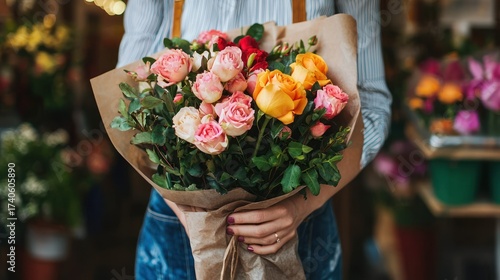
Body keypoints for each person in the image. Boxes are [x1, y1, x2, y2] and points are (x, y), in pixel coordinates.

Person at [117, 1, 392, 279]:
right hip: (180, 226)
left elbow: (371, 106)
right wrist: (186, 208)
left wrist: (301, 206)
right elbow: (126, 96)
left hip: (297, 224)